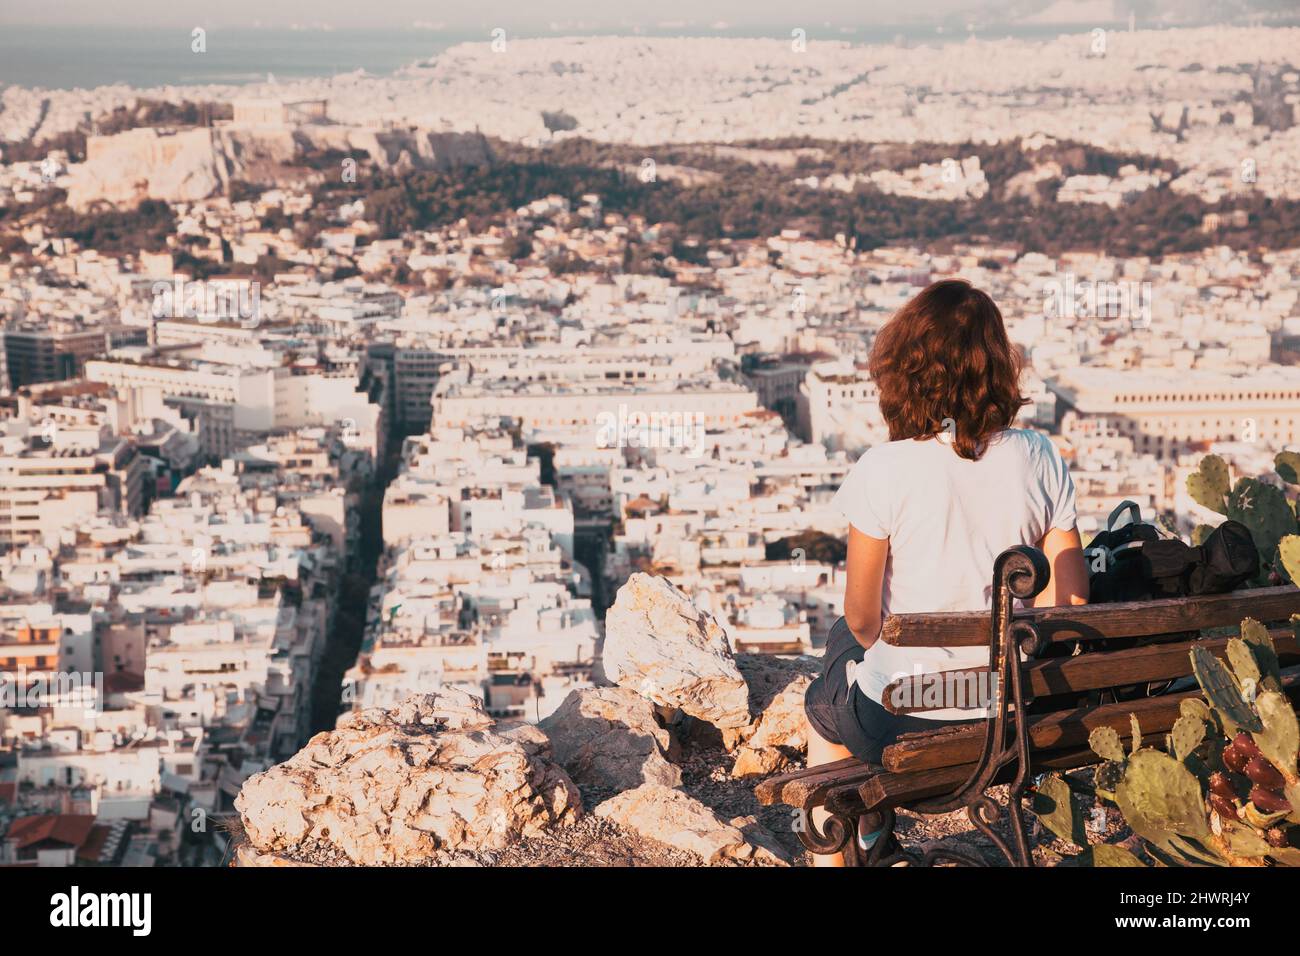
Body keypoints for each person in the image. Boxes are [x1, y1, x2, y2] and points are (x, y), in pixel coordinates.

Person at [803, 278, 1090, 866]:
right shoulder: (1039, 455)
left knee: (826, 691)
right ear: (998, 367)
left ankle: (854, 837)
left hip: (902, 719)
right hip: (1013, 714)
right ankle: (870, 829)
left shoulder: (885, 467)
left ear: (906, 369)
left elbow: (861, 618)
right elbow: (1073, 605)